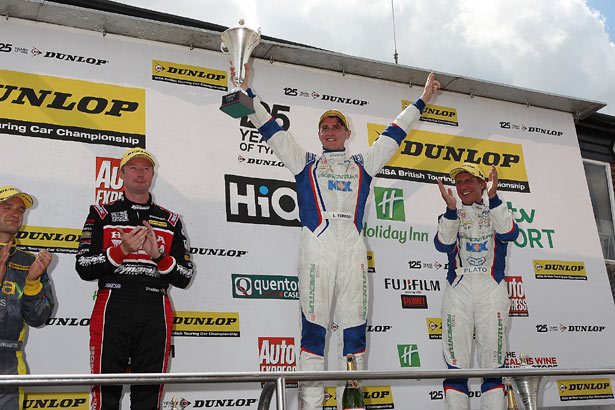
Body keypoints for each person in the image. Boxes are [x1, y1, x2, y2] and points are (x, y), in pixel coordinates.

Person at [231, 63, 440, 410]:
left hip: (353, 245)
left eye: (335, 127)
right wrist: (246, 88)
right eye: (324, 127)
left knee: (355, 329)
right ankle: (310, 405)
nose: (329, 132)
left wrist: (422, 100)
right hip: (318, 244)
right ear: (319, 134)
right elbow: (269, 128)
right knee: (314, 330)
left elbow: (395, 133)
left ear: (347, 133)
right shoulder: (305, 162)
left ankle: (352, 400)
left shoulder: (364, 163)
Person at [75, 148, 194, 410]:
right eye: (133, 168)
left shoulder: (170, 220)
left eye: (146, 168)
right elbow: (83, 266)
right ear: (121, 174)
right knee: (105, 391)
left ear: (153, 174)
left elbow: (185, 276)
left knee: (149, 394)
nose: (140, 174)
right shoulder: (101, 214)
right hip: (113, 304)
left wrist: (159, 257)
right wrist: (122, 251)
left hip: (155, 306)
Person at [435, 163, 519, 410]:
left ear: (483, 184)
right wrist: (451, 211)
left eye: (469, 181)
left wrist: (493, 198)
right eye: (459, 182)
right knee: (456, 363)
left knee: (493, 363)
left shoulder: (497, 211)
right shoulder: (449, 215)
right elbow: (443, 244)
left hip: (490, 289)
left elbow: (510, 233)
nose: (463, 186)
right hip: (458, 288)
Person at [0, 186, 55, 410]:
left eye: (20, 209)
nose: (15, 213)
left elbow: (39, 318)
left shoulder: (28, 261)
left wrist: (32, 283)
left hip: (9, 360)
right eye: (6, 207)